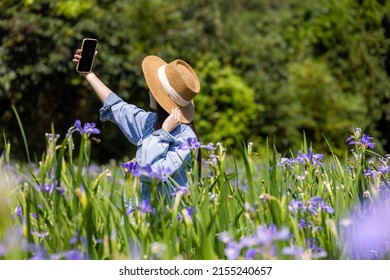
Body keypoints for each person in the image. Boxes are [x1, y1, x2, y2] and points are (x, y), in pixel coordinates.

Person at [72, 49, 201, 200]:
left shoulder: (186, 139)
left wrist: (163, 134)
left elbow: (151, 174)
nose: (149, 89)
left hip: (165, 221)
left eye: (153, 87)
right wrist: (89, 74)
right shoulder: (151, 122)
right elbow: (117, 107)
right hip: (139, 219)